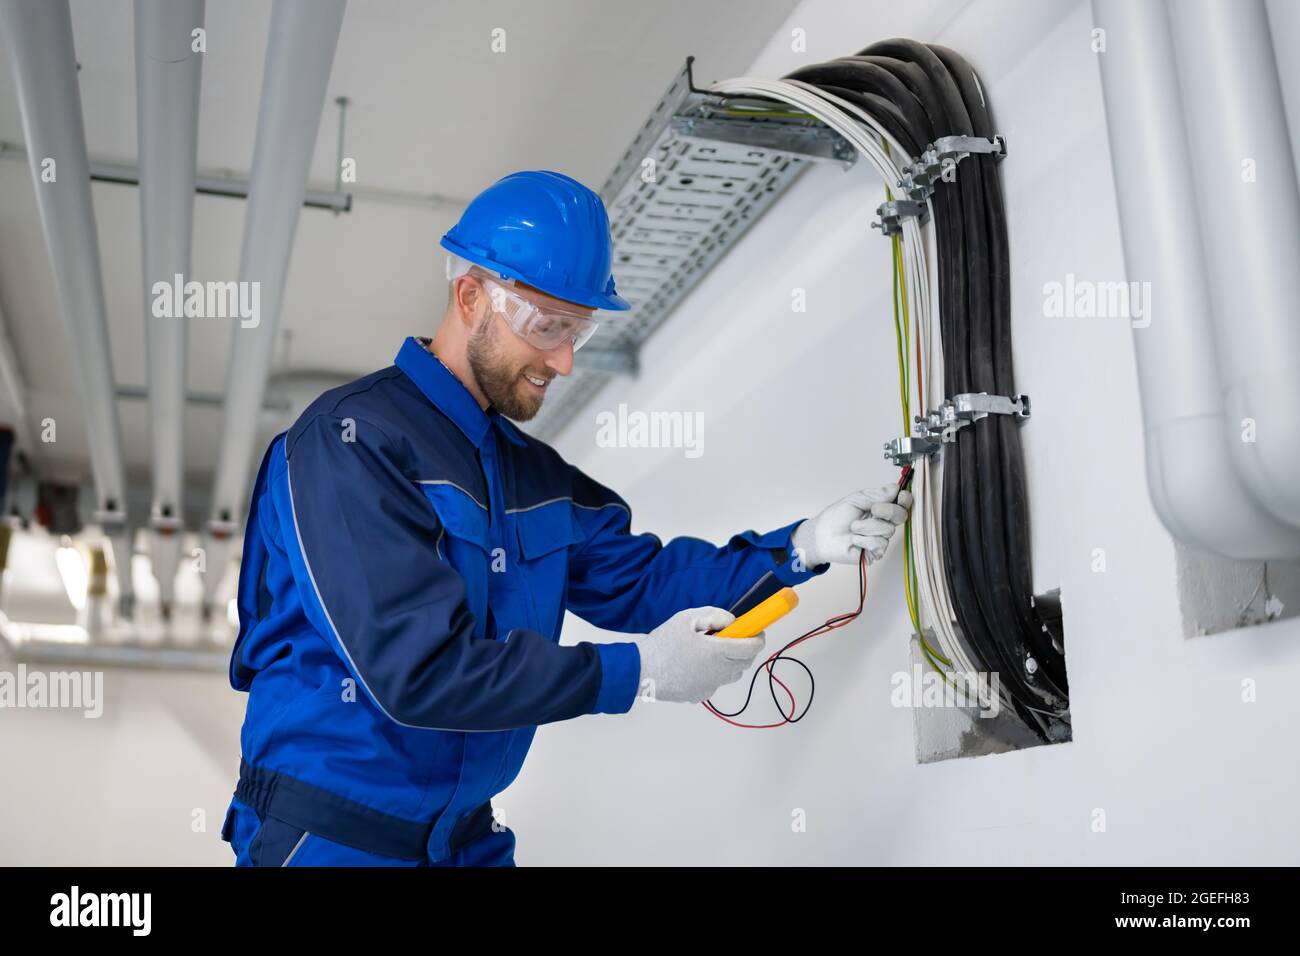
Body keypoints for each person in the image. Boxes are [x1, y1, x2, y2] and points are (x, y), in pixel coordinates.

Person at [221, 170, 912, 866]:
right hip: (333, 841)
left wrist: (799, 546)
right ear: (470, 297)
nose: (565, 360)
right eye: (547, 326)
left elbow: (645, 580)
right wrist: (637, 670)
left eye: (578, 328)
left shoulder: (534, 476)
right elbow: (419, 671)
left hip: (465, 841)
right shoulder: (352, 442)